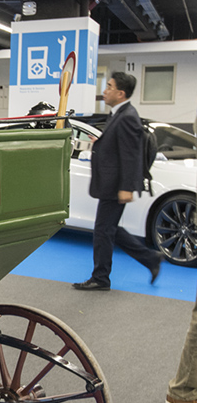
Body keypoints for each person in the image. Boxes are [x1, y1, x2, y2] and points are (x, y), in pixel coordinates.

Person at [73, 71, 163, 290]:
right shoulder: (119, 114)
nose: (105, 91)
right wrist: (101, 142)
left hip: (115, 185)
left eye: (109, 87)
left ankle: (101, 278)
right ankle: (150, 258)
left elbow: (131, 155)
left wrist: (126, 188)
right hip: (110, 183)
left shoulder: (127, 117)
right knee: (108, 228)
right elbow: (118, 146)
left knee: (103, 230)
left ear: (121, 93)